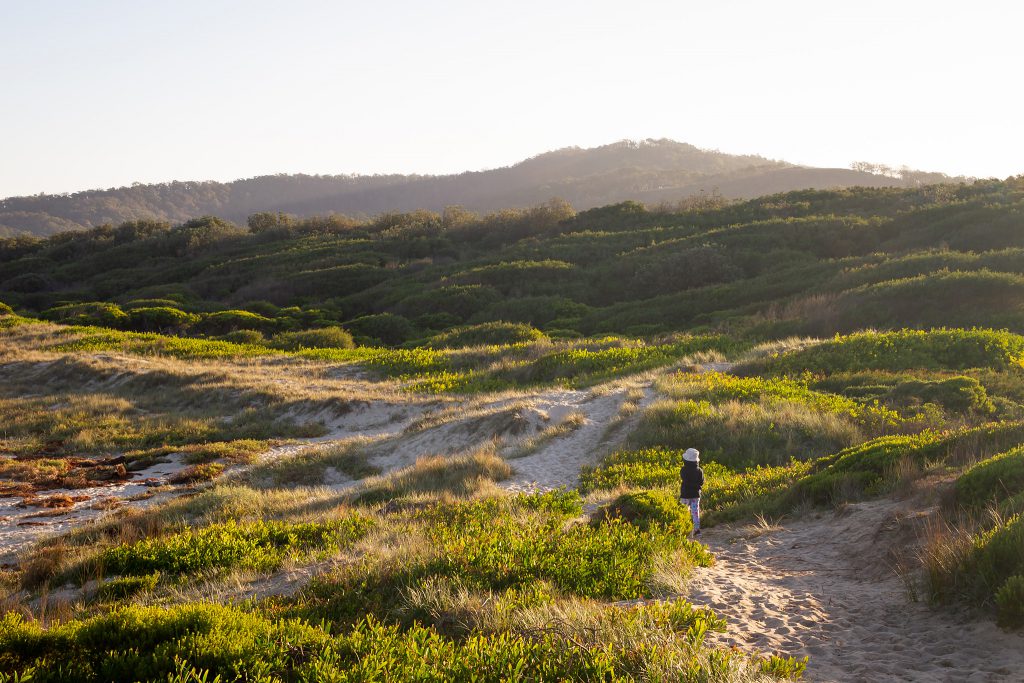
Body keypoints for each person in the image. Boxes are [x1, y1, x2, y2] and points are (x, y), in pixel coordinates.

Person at [679, 448, 704, 536]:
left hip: (685, 495)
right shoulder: (700, 470)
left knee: (684, 511)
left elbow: (684, 479)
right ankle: (697, 530)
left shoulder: (683, 470)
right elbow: (701, 482)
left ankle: (683, 529)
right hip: (696, 495)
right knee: (695, 513)